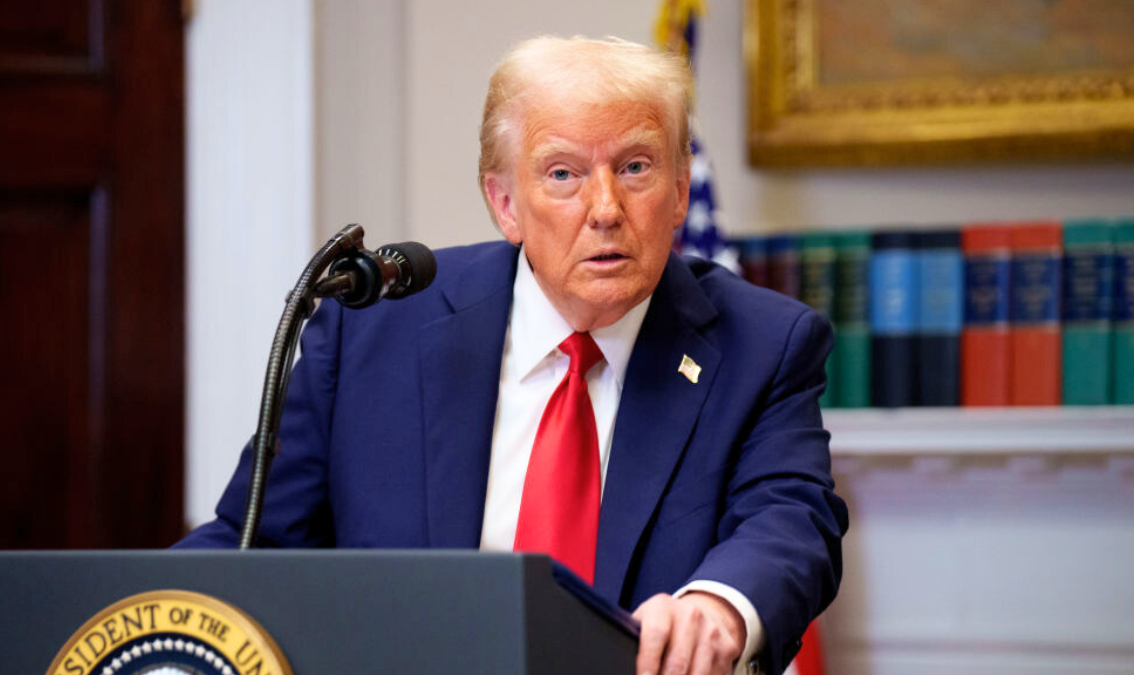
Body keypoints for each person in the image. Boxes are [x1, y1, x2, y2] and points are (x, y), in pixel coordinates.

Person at [178, 36, 847, 675]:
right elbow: (251, 546)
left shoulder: (761, 344)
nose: (606, 208)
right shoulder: (371, 332)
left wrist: (719, 604)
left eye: (636, 167)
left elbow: (790, 519)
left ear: (678, 191)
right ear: (505, 203)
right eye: (563, 173)